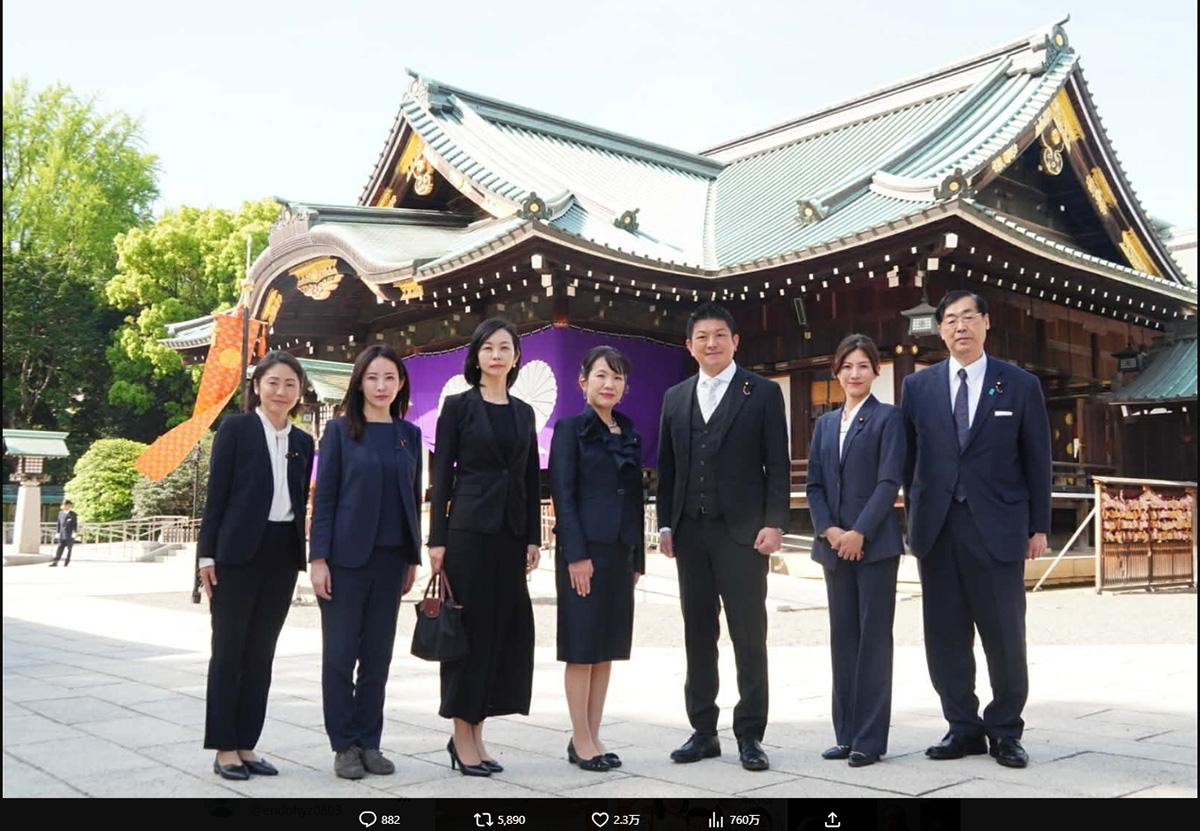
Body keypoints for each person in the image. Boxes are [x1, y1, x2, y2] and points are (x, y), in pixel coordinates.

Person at [900, 289, 1051, 770]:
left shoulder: (1019, 385)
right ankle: (962, 727)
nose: (959, 326)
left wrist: (1039, 526)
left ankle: (1006, 730)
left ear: (986, 323)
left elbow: (1037, 460)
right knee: (944, 635)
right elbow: (907, 459)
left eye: (968, 317)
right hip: (938, 528)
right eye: (950, 320)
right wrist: (915, 515)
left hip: (999, 527)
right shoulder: (917, 388)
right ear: (940, 330)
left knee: (1004, 635)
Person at [656, 302, 791, 771]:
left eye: (719, 335)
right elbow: (668, 468)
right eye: (701, 336)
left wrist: (774, 522)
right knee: (698, 633)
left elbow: (777, 464)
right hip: (691, 533)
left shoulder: (764, 392)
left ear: (735, 341)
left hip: (743, 534)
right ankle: (702, 730)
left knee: (748, 635)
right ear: (688, 345)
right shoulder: (675, 397)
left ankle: (750, 733)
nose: (710, 343)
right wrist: (665, 524)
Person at [428, 318, 541, 777]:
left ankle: (478, 732)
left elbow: (531, 478)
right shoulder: (457, 407)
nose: (497, 354)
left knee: (502, 632)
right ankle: (461, 736)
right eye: (489, 347)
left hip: (511, 534)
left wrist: (534, 535)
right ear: (476, 355)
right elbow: (442, 479)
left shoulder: (523, 412)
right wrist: (437, 539)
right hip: (469, 532)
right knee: (467, 633)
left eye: (506, 347)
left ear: (516, 357)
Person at [198, 350, 315, 780]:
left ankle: (247, 744)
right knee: (229, 651)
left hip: (281, 552)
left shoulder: (303, 442)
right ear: (257, 387)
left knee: (262, 653)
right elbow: (217, 495)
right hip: (236, 553)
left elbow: (301, 499)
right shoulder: (236, 429)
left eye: (289, 384)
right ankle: (224, 747)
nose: (281, 391)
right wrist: (205, 555)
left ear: (300, 391)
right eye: (273, 382)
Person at [309, 345, 423, 780]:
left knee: (377, 658)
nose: (381, 386)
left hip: (392, 560)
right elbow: (326, 498)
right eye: (373, 377)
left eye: (389, 378)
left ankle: (370, 742)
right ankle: (344, 745)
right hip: (344, 561)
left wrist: (412, 556)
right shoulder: (340, 432)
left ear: (400, 384)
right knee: (340, 655)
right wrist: (318, 558)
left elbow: (412, 498)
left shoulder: (407, 435)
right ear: (359, 382)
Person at [806, 334, 905, 768]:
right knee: (842, 640)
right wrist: (829, 529)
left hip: (875, 546)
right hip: (833, 547)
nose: (854, 373)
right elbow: (814, 484)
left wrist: (858, 531)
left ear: (876, 372)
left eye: (863, 366)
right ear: (836, 372)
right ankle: (844, 734)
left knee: (873, 641)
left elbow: (889, 482)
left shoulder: (888, 419)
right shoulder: (825, 424)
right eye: (847, 366)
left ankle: (869, 739)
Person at [549, 346, 645, 773]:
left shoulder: (629, 431)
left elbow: (636, 499)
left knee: (606, 647)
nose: (609, 384)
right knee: (582, 647)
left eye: (618, 378)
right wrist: (576, 554)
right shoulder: (569, 429)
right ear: (583, 381)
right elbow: (562, 494)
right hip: (583, 553)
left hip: (619, 552)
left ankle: (593, 733)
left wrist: (638, 556)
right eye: (602, 376)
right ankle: (580, 738)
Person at [49, 500, 78, 567]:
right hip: (62, 534)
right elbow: (59, 524)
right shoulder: (60, 513)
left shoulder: (73, 514)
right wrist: (58, 532)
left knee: (69, 549)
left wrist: (74, 532)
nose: (65, 506)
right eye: (64, 505)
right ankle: (55, 562)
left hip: (69, 534)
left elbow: (75, 524)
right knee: (60, 548)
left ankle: (67, 562)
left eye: (67, 505)